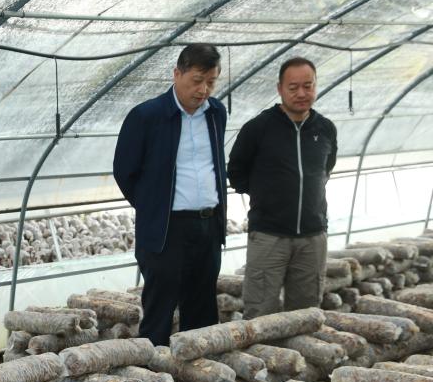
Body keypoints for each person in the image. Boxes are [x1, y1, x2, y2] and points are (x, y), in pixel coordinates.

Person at [113, 44, 228, 346]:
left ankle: (199, 368)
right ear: (177, 74)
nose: (204, 90)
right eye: (197, 80)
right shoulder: (147, 116)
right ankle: (153, 368)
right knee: (160, 308)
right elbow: (125, 172)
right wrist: (154, 207)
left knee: (202, 308)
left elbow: (216, 164)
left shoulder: (216, 113)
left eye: (211, 82)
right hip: (166, 230)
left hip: (208, 225)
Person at [227, 57, 337, 318]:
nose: (301, 93)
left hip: (312, 237)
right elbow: (236, 173)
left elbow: (325, 170)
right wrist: (268, 196)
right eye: (293, 87)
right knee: (260, 313)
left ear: (315, 86)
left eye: (308, 86)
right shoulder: (258, 128)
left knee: (306, 314)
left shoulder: (325, 129)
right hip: (269, 236)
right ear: (280, 89)